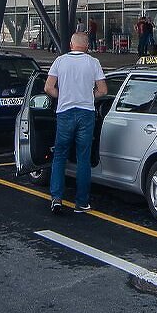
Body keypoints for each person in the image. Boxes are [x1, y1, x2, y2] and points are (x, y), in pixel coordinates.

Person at [45, 32, 107, 215]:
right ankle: (81, 203)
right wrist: (89, 96)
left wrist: (63, 96)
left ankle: (56, 198)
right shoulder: (93, 62)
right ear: (87, 46)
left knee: (59, 156)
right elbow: (103, 90)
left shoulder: (60, 61)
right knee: (83, 159)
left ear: (71, 45)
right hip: (86, 113)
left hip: (65, 113)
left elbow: (48, 87)